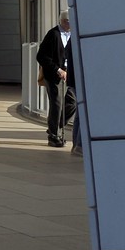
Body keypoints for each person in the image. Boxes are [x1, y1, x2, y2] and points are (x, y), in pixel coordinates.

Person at [37, 11, 77, 148]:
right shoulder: (53, 34)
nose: (71, 24)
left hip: (69, 74)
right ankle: (53, 136)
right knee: (57, 104)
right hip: (54, 75)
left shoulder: (73, 35)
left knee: (72, 102)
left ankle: (55, 127)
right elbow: (41, 56)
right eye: (68, 22)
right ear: (63, 21)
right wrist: (58, 70)